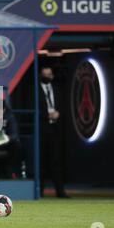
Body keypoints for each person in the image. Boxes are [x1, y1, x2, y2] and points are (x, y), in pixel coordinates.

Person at [39, 65, 69, 198]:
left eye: (49, 74)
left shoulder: (57, 89)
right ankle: (39, 192)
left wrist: (58, 114)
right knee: (41, 162)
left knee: (56, 161)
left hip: (55, 129)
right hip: (41, 129)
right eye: (45, 74)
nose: (48, 77)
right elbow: (35, 109)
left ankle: (60, 192)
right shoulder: (35, 90)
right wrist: (47, 115)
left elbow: (62, 106)